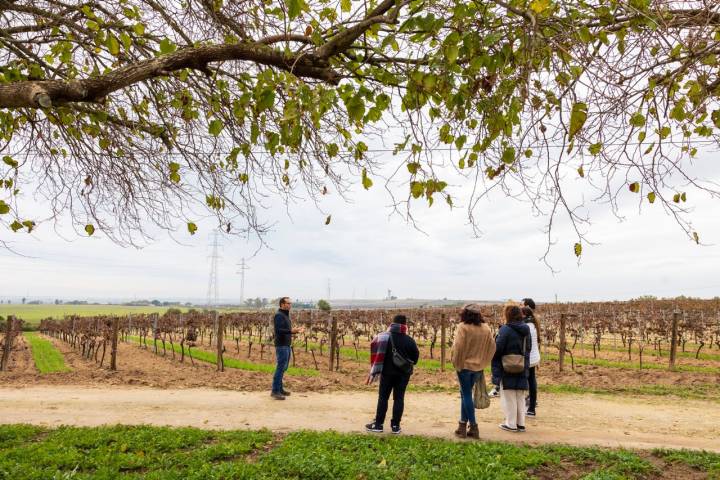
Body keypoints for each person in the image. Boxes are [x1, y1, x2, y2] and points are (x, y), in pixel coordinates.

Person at [365, 314, 419, 434]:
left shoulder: (383, 337)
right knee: (399, 398)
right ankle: (395, 426)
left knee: (383, 397)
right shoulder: (410, 341)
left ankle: (378, 424)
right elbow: (415, 360)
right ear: (405, 325)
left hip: (387, 373)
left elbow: (374, 348)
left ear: (392, 323)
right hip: (403, 374)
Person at [450, 304, 496, 439]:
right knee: (466, 395)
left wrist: (457, 363)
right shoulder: (486, 328)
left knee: (466, 395)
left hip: (464, 367)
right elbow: (493, 347)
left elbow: (458, 347)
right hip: (478, 368)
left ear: (465, 313)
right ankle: (462, 426)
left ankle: (474, 427)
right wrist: (483, 361)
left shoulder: (463, 327)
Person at [491, 305, 531, 432]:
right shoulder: (526, 330)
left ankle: (511, 424)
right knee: (520, 394)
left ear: (508, 315)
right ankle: (521, 423)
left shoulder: (505, 330)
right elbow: (528, 348)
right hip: (522, 365)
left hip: (507, 366)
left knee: (509, 395)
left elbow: (497, 349)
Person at [271, 297, 303, 400]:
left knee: (283, 368)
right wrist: (292, 331)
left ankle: (280, 389)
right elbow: (279, 330)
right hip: (281, 345)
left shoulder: (285, 315)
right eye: (288, 303)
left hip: (286, 344)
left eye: (290, 303)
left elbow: (286, 329)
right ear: (282, 304)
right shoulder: (279, 316)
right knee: (280, 368)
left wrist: (294, 330)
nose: (290, 305)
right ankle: (275, 391)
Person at [522, 305, 541, 417]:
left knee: (525, 381)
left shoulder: (525, 327)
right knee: (532, 381)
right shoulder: (533, 324)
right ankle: (532, 408)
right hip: (534, 357)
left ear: (524, 315)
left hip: (528, 358)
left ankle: (526, 407)